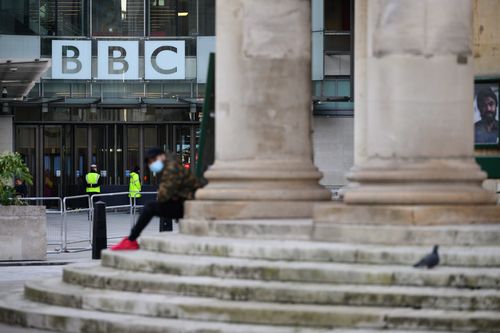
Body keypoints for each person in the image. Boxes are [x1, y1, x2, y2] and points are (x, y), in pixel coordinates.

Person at [111, 148, 200, 250]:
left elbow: (163, 195)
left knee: (150, 207)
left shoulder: (171, 168)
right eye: (149, 162)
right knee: (152, 206)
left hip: (189, 206)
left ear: (162, 156)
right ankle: (131, 239)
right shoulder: (172, 165)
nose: (151, 164)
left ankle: (131, 240)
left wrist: (166, 195)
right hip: (187, 204)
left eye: (153, 160)